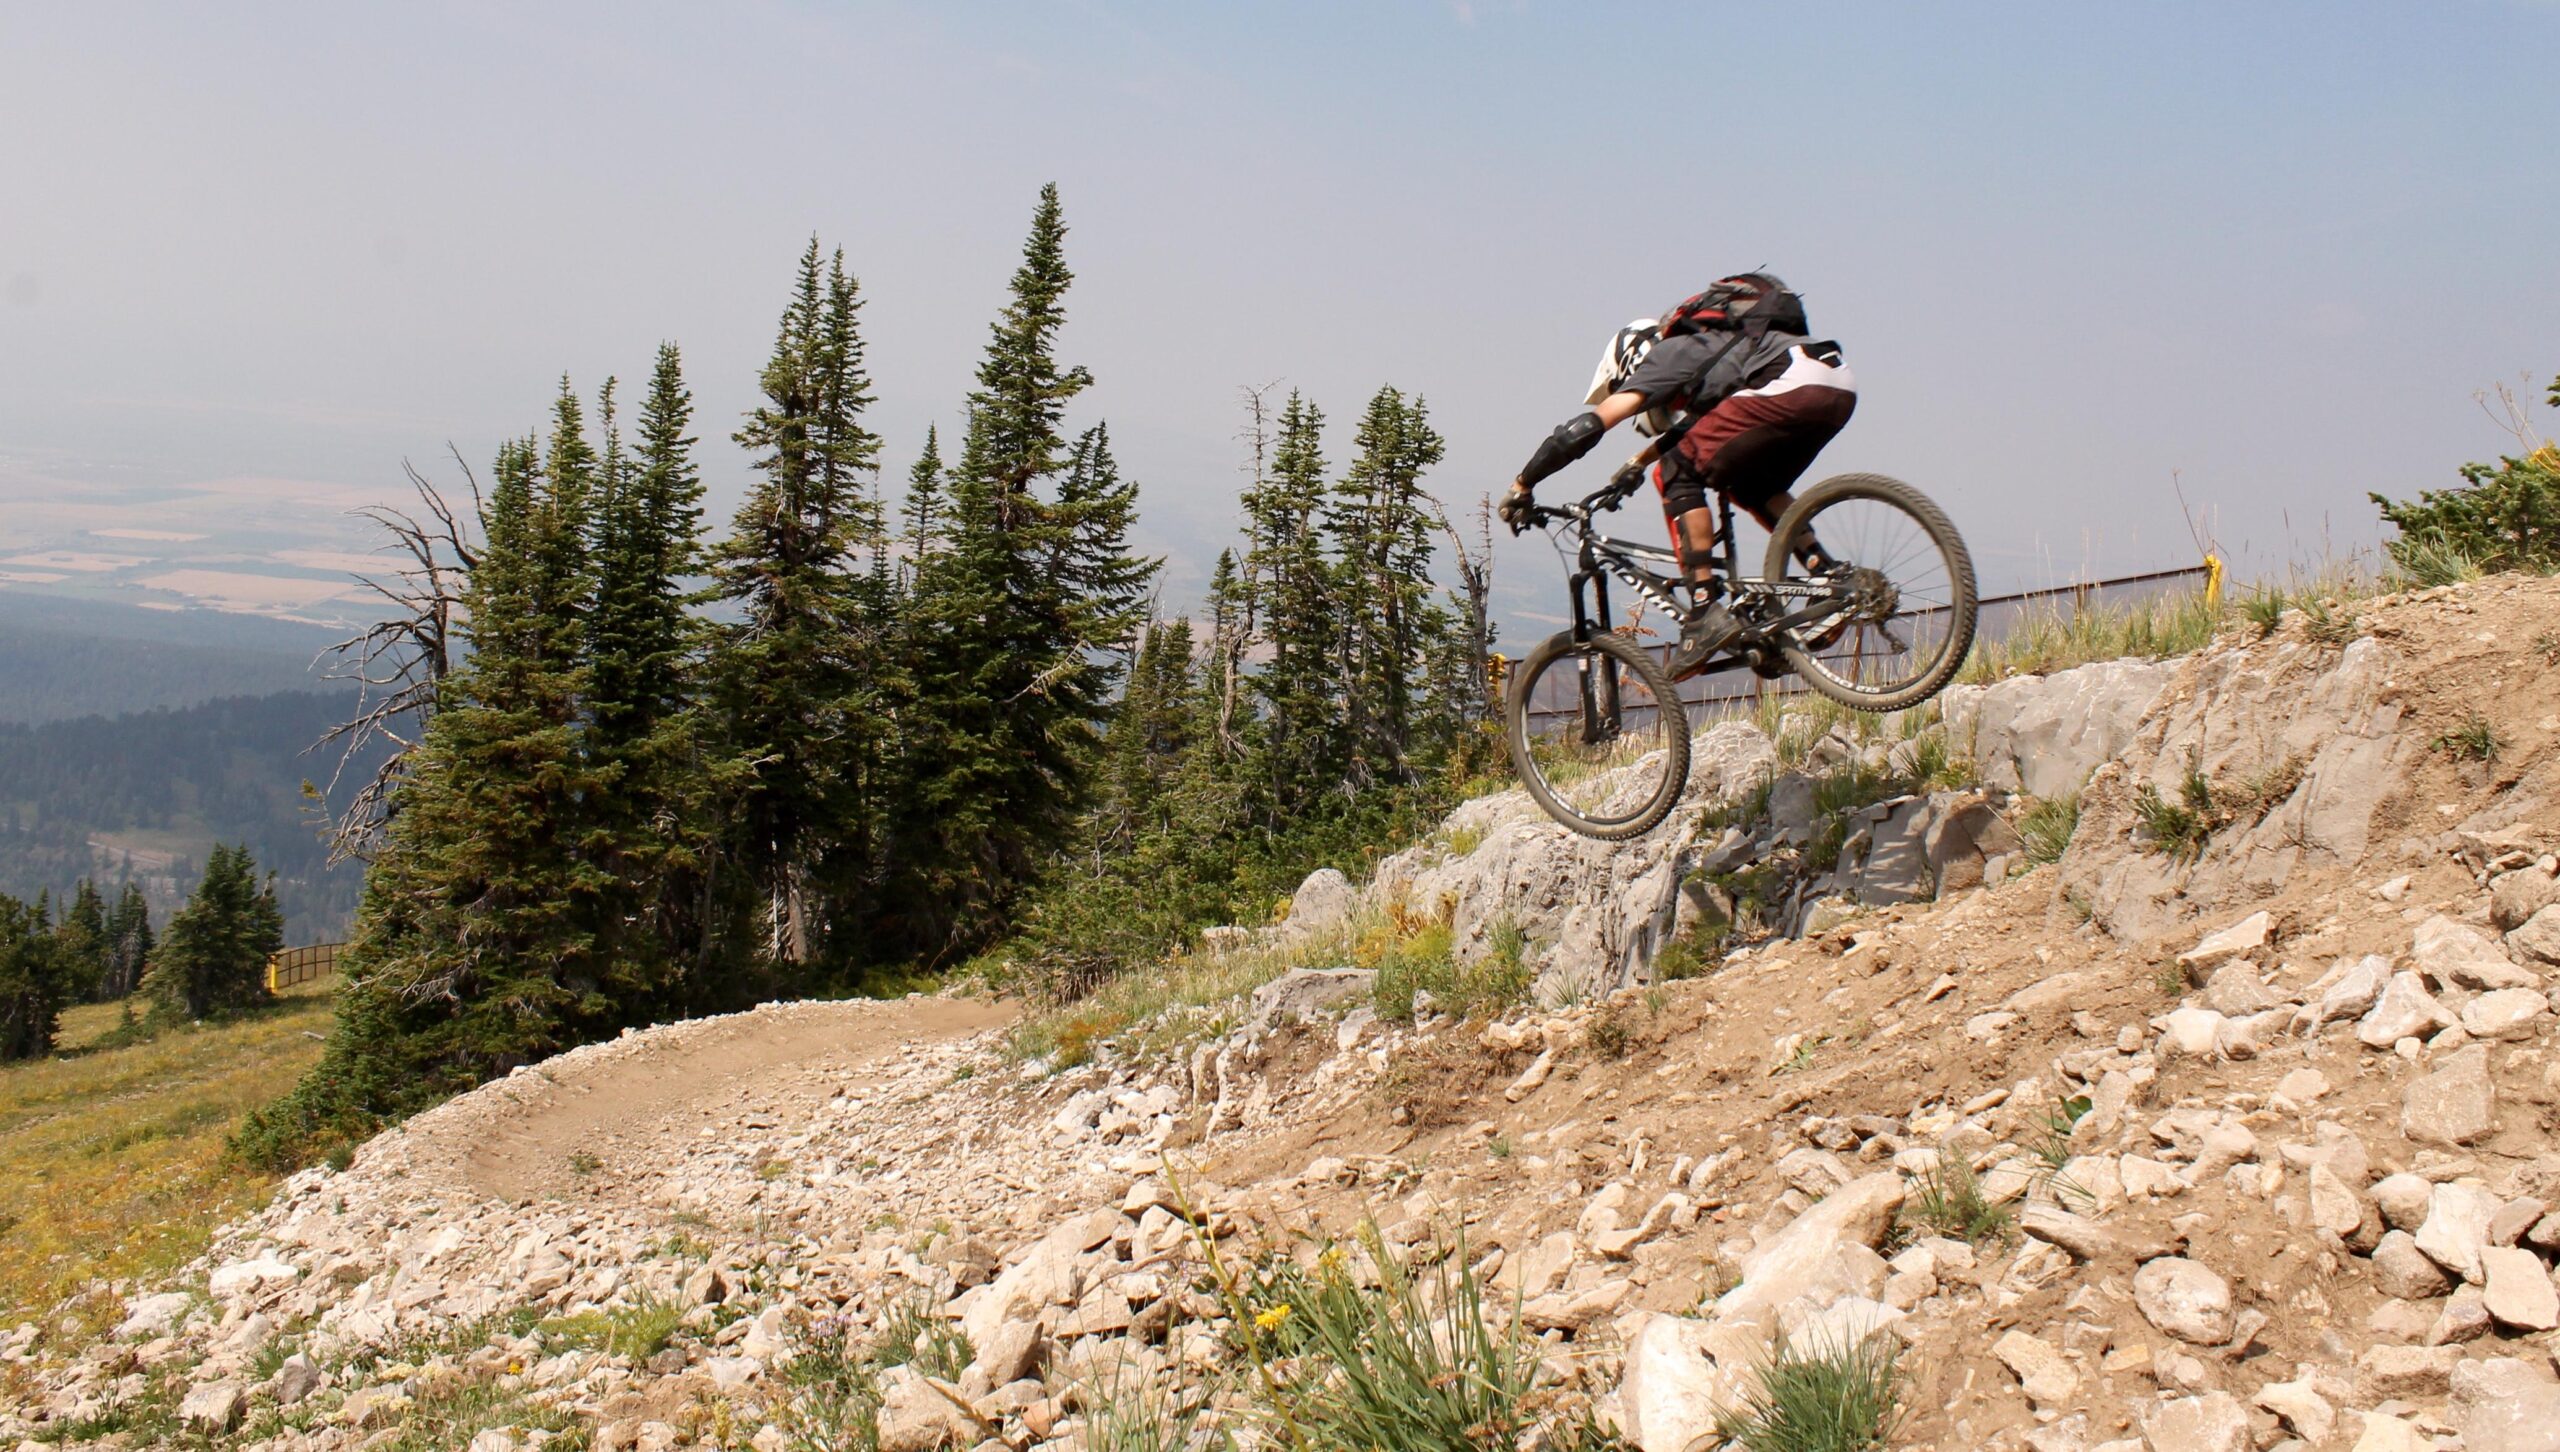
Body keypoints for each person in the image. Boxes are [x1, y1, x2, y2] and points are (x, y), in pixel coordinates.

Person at [1500, 273, 1855, 679]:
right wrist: (1636, 463)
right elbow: (1699, 428)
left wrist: (1523, 484)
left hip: (1788, 386)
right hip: (1833, 383)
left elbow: (1591, 426)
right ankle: (1827, 572)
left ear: (1632, 358)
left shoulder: (1668, 354)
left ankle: (1704, 607)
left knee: (1676, 473)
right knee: (1752, 484)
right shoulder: (1722, 350)